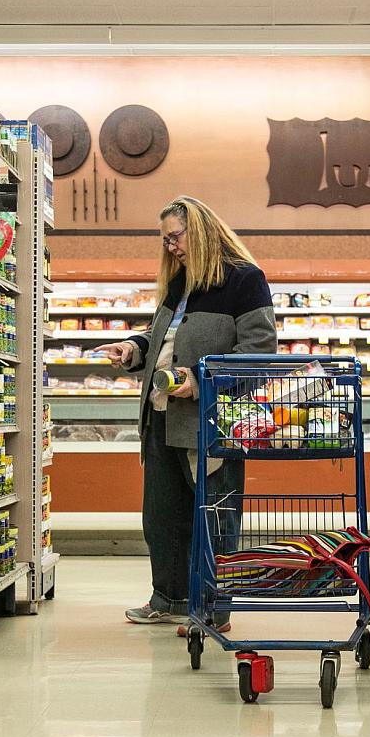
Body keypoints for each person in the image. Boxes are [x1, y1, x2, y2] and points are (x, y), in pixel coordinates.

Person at [97, 196, 277, 634]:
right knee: (163, 515)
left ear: (200, 230)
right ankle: (171, 598)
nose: (170, 247)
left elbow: (258, 350)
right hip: (161, 417)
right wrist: (134, 349)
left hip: (210, 422)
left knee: (215, 515)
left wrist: (200, 378)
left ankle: (215, 607)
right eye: (165, 241)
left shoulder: (244, 280)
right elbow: (162, 336)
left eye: (175, 237)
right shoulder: (181, 283)